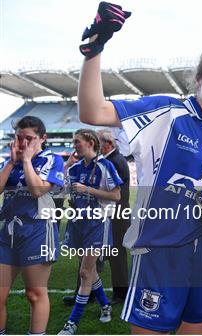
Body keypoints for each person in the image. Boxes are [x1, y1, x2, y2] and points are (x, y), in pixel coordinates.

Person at [76, 1, 202, 334]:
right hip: (160, 255)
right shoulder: (167, 112)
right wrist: (95, 48)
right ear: (198, 78)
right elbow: (92, 111)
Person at [0, 116, 64, 335]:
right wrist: (11, 162)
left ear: (42, 139)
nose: (23, 143)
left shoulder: (51, 159)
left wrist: (26, 161)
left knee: (34, 293)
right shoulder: (8, 161)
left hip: (36, 231)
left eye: (29, 138)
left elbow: (38, 190)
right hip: (8, 232)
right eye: (19, 138)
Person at [58, 129, 123, 335]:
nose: (74, 145)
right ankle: (105, 305)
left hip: (97, 224)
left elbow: (116, 195)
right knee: (90, 271)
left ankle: (72, 322)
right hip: (78, 224)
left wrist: (88, 190)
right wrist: (66, 167)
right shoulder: (75, 167)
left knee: (85, 272)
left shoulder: (105, 166)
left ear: (90, 143)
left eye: (77, 142)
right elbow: (59, 191)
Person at [97, 128, 131, 304]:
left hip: (116, 214)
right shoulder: (113, 159)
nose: (95, 145)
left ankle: (121, 293)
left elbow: (114, 193)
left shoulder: (115, 161)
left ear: (108, 144)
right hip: (115, 213)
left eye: (98, 142)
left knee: (116, 254)